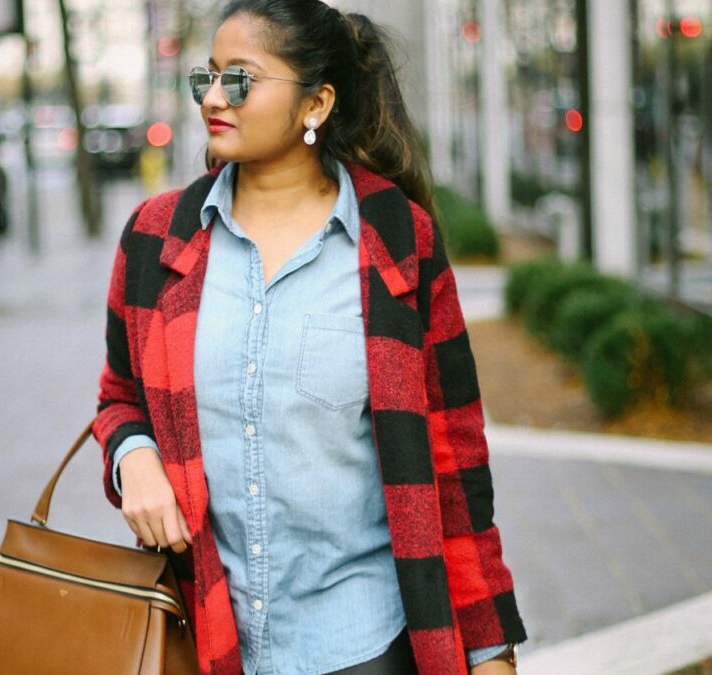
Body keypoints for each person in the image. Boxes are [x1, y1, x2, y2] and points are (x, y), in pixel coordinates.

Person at [93, 1, 527, 673]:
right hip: (209, 637)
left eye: (239, 79)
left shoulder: (398, 242)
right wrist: (134, 456)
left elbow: (454, 461)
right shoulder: (156, 239)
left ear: (316, 103)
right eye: (207, 77)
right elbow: (120, 394)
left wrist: (488, 645)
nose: (213, 97)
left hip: (363, 643)